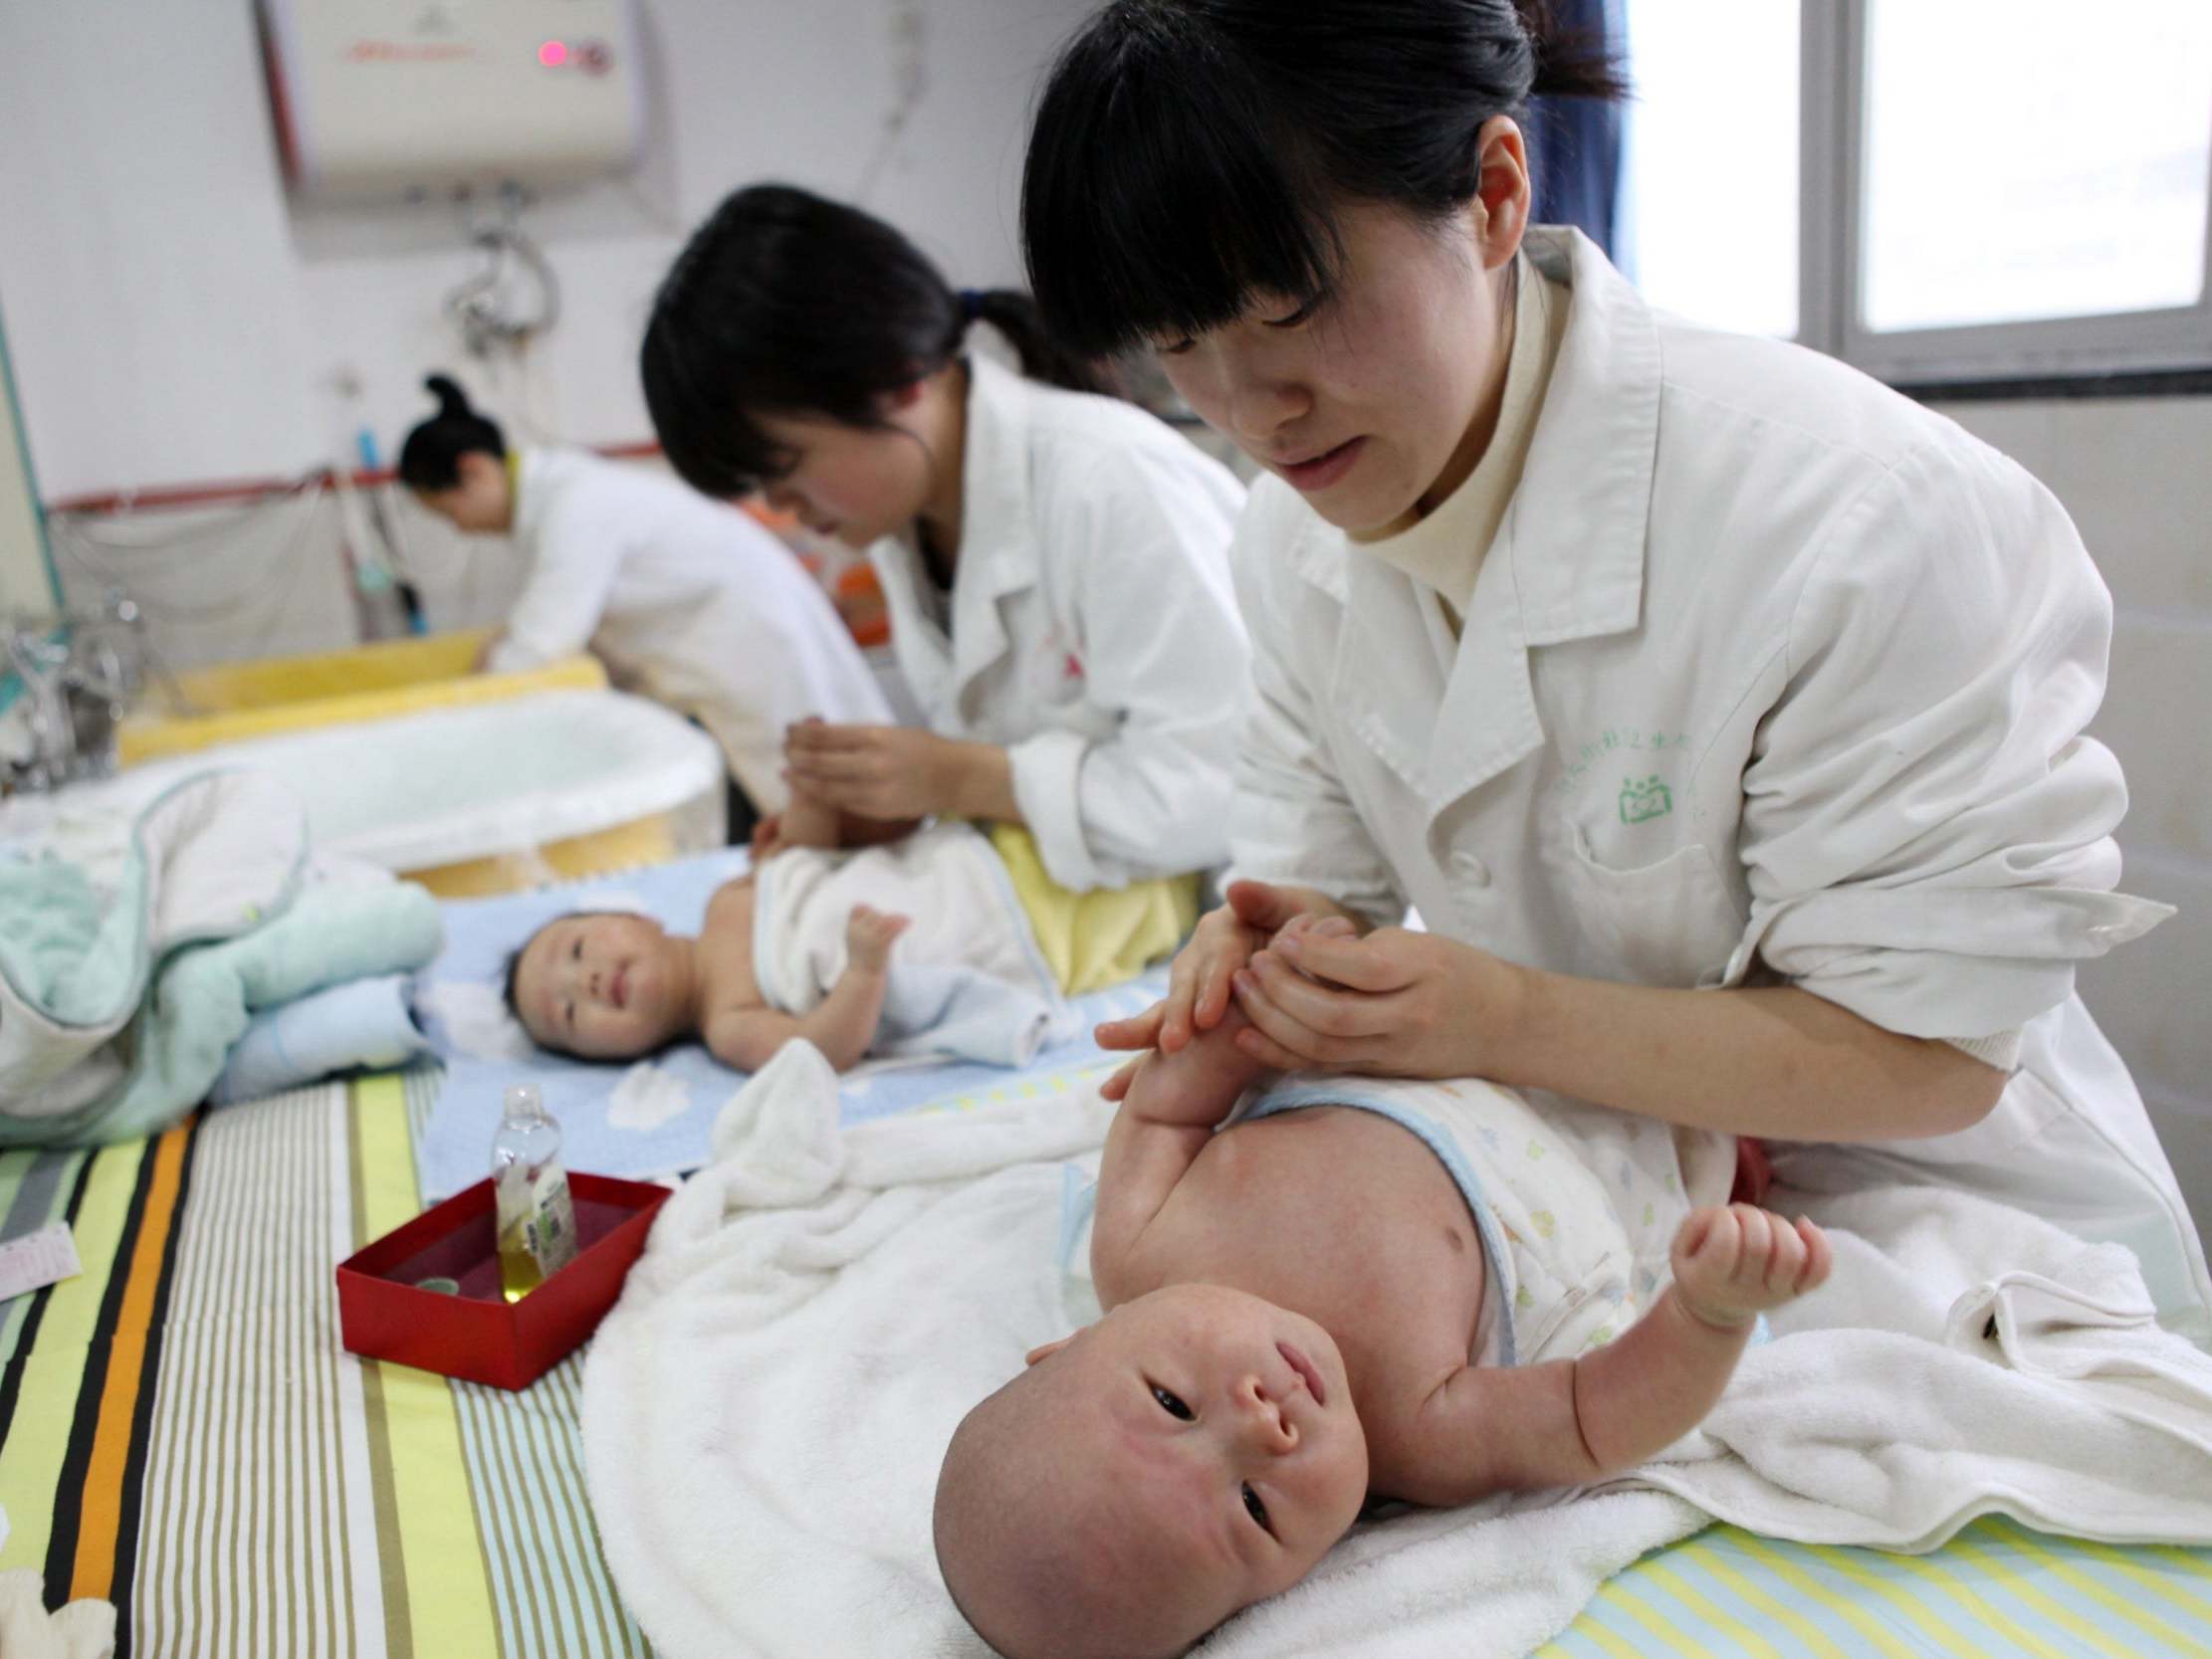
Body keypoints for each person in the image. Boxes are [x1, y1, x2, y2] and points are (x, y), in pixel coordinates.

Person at [1018, 0, 2210, 1340]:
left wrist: (1503, 1013)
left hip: (1931, 1217)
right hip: (1608, 1187)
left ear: (1490, 193)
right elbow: (1322, 894)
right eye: (1179, 348)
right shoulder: (1284, 546)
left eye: (1293, 309)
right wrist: (1271, 952)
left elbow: (1927, 1064)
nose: (1251, 411)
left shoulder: (1859, 517)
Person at [934, 985, 1833, 1658]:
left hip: (1455, 1017)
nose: (1259, 1420)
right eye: (1254, 1507)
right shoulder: (1420, 1433)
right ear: (1293, 1586)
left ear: (1076, 1340)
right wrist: (1710, 1311)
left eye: (1172, 1403)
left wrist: (1248, 1003)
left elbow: (1170, 1098)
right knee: (1775, 1054)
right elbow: (1598, 1416)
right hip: (1653, 1119)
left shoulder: (1135, 1244)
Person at [639, 185, 1249, 948]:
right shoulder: (910, 521)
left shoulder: (1111, 483)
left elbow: (1224, 789)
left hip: (1240, 925)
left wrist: (963, 778)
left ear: (896, 378)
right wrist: (888, 813)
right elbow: (1021, 757)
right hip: (1109, 934)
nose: (780, 504)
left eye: (785, 467)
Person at [398, 374, 891, 825]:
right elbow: (542, 618)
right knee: (806, 805)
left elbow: (541, 641)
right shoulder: (562, 498)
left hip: (755, 650)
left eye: (448, 512)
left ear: (475, 470)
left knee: (832, 803)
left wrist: (458, 712)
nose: (458, 527)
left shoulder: (575, 503)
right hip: (729, 658)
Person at [505, 779, 1071, 1073]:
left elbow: (806, 861)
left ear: (635, 916)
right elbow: (825, 1049)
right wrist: (864, 972)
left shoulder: (727, 897)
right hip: (1011, 932)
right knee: (1142, 909)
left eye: (577, 949)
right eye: (570, 1015)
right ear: (616, 1056)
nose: (586, 982)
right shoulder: (728, 1024)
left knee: (1090, 832)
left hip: (967, 860)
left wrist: (810, 796)